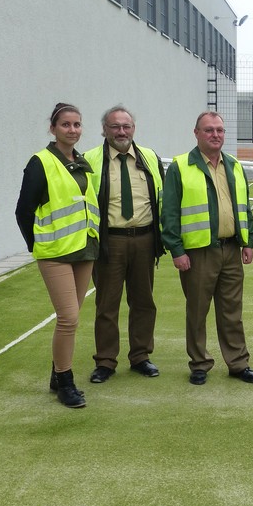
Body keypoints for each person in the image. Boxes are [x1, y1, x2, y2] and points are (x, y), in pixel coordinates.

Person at [161, 111, 253, 385]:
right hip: (197, 252)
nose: (215, 135)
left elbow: (244, 207)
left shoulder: (234, 165)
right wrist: (177, 250)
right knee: (197, 310)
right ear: (196, 133)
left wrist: (247, 240)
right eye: (209, 130)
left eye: (219, 130)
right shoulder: (181, 166)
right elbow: (169, 213)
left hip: (231, 250)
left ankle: (238, 363)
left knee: (232, 311)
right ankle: (200, 364)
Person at [15, 102, 100, 408]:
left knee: (72, 319)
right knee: (68, 317)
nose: (72, 130)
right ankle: (65, 381)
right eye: (66, 125)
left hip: (84, 248)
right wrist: (36, 245)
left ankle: (56, 373)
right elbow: (23, 211)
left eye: (77, 124)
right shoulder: (40, 162)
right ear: (53, 128)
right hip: (56, 252)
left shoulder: (81, 161)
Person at [83, 106, 165, 384]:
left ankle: (141, 356)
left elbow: (161, 198)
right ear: (104, 129)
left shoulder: (150, 158)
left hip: (144, 239)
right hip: (110, 242)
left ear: (134, 128)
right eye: (115, 126)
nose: (121, 132)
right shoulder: (90, 160)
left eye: (126, 126)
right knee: (107, 304)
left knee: (144, 302)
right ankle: (105, 361)